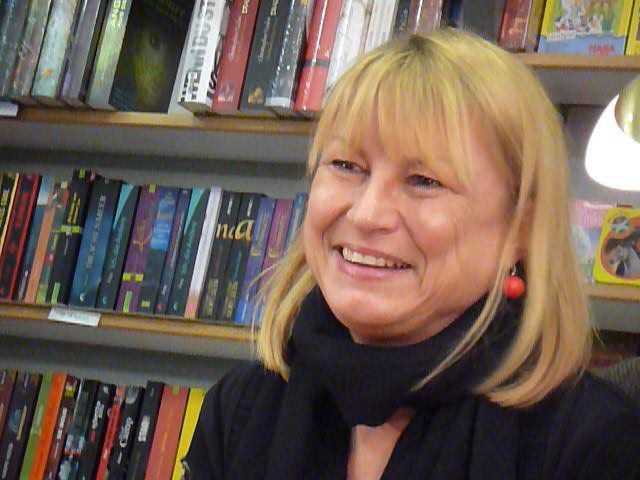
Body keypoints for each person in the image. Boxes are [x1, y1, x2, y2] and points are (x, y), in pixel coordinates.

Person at [183, 28, 640, 479]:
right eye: (346, 165)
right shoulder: (238, 411)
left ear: (521, 228)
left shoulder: (595, 443)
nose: (367, 214)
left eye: (424, 181)